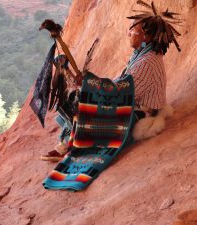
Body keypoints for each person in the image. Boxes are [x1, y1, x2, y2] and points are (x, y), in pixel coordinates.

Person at [41, 1, 181, 162]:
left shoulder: (148, 62)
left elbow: (122, 92)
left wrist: (89, 84)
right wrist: (86, 82)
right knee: (81, 96)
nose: (128, 33)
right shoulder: (143, 54)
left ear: (146, 37)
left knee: (84, 104)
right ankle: (71, 141)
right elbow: (121, 83)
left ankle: (71, 145)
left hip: (140, 113)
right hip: (132, 102)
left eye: (133, 30)